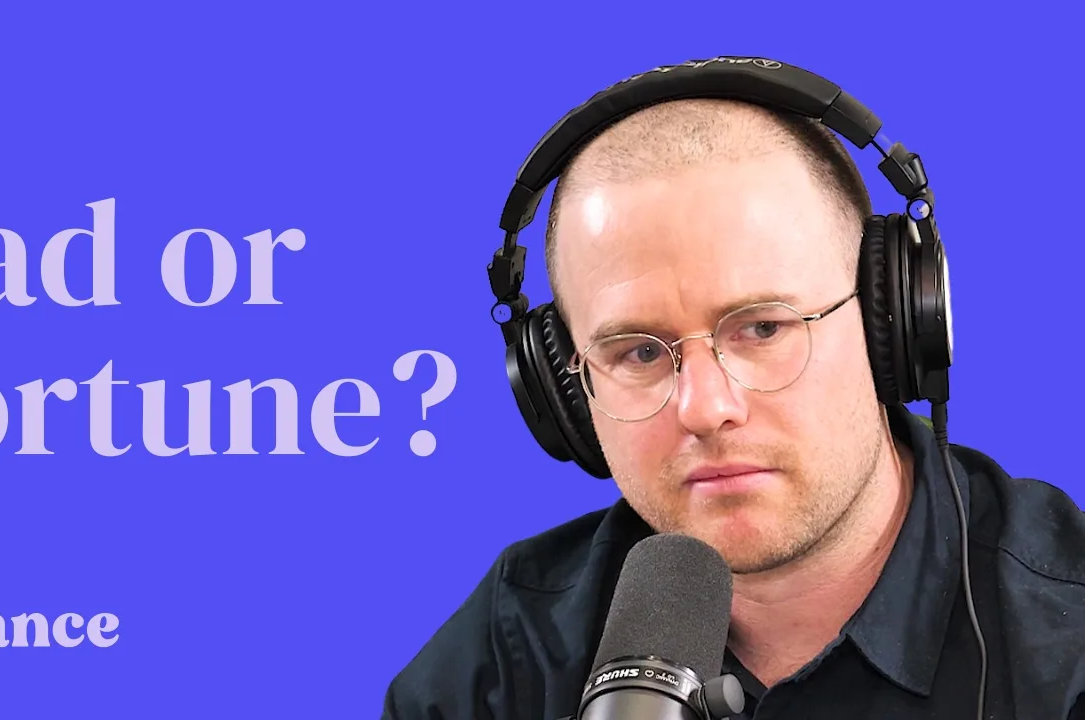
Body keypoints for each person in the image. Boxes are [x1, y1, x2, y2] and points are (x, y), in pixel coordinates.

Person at [380, 80, 1085, 719]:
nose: (705, 407)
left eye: (763, 328)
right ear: (565, 390)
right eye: (639, 353)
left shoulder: (1067, 640)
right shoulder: (498, 665)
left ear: (891, 327)